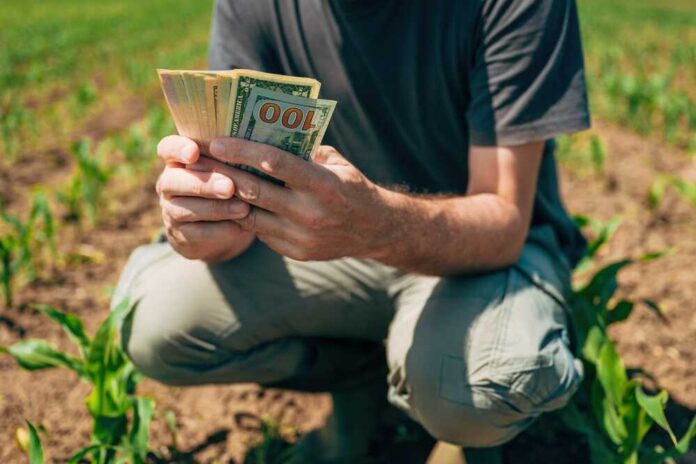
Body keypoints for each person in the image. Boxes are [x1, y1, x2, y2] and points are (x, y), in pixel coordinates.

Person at [113, 0, 590, 462]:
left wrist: (375, 225)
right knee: (154, 325)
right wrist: (206, 223)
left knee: (476, 392)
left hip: (474, 257)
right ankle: (363, 379)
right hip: (328, 244)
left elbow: (504, 223)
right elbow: (237, 200)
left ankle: (457, 425)